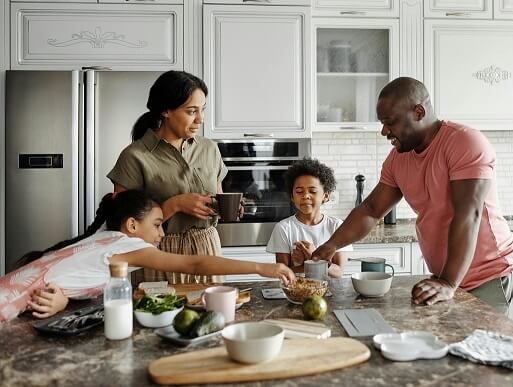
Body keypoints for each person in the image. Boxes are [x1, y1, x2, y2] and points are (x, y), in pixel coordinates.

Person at [312, 77, 513, 323]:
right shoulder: (398, 158)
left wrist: (447, 281)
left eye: (390, 122)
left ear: (418, 112)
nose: (384, 131)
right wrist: (332, 244)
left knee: (488, 358)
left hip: (491, 277)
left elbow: (468, 214)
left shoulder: (464, 142)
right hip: (447, 280)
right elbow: (371, 210)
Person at [0, 190, 295, 323]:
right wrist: (262, 267)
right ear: (131, 226)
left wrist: (63, 300)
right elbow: (193, 264)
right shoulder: (123, 245)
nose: (162, 234)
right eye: (157, 225)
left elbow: (70, 279)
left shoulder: (103, 240)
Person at [107, 71, 228, 285]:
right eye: (192, 111)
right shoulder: (135, 157)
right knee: (162, 316)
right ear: (165, 111)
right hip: (159, 253)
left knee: (214, 317)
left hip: (208, 247)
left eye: (202, 110)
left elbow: (217, 198)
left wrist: (227, 207)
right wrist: (175, 205)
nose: (200, 119)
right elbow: (123, 229)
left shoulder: (210, 149)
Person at [267, 158, 351, 278]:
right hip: (297, 293)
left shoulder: (337, 226)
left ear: (325, 196)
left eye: (312, 191)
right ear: (292, 196)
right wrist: (313, 263)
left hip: (331, 294)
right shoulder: (283, 228)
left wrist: (313, 258)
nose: (306, 196)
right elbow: (283, 273)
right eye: (299, 191)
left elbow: (338, 272)